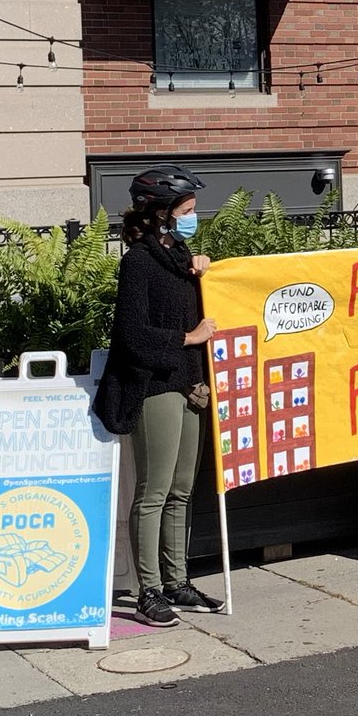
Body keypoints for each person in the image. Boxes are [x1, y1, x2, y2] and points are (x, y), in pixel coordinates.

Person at [98, 164, 223, 626]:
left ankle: (177, 581)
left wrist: (202, 273)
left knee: (182, 490)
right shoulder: (138, 262)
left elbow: (201, 302)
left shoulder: (180, 257)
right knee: (153, 492)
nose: (194, 217)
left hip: (190, 384)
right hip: (155, 385)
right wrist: (189, 338)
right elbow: (131, 334)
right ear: (161, 214)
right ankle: (148, 589)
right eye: (187, 210)